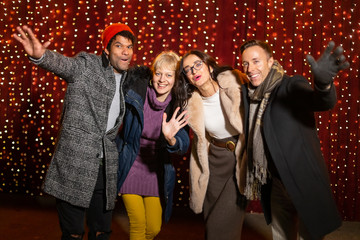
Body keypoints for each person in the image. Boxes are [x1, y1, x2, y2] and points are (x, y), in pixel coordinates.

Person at [13, 23, 136, 240]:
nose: (126, 51)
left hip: (105, 167)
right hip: (75, 163)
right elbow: (65, 65)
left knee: (101, 232)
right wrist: (41, 55)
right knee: (73, 233)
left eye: (129, 46)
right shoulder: (87, 65)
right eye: (119, 45)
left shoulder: (129, 80)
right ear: (106, 49)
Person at [239, 40, 350, 240]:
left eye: (256, 61)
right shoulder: (249, 95)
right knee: (281, 236)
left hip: (303, 179)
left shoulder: (290, 85)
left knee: (310, 236)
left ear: (271, 61)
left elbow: (319, 101)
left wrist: (323, 84)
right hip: (274, 183)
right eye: (245, 63)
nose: (250, 68)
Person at [116, 51, 190, 240]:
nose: (162, 79)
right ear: (152, 74)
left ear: (175, 79)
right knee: (138, 225)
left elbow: (183, 143)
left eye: (168, 75)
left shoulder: (177, 105)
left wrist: (171, 139)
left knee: (154, 228)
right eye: (158, 73)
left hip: (155, 171)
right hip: (130, 164)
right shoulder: (136, 95)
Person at [177, 50, 248, 240]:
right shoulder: (190, 103)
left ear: (209, 66)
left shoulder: (235, 84)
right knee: (211, 220)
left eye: (198, 65)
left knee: (224, 223)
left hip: (239, 159)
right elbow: (181, 140)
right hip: (213, 162)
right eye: (188, 70)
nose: (194, 71)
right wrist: (170, 138)